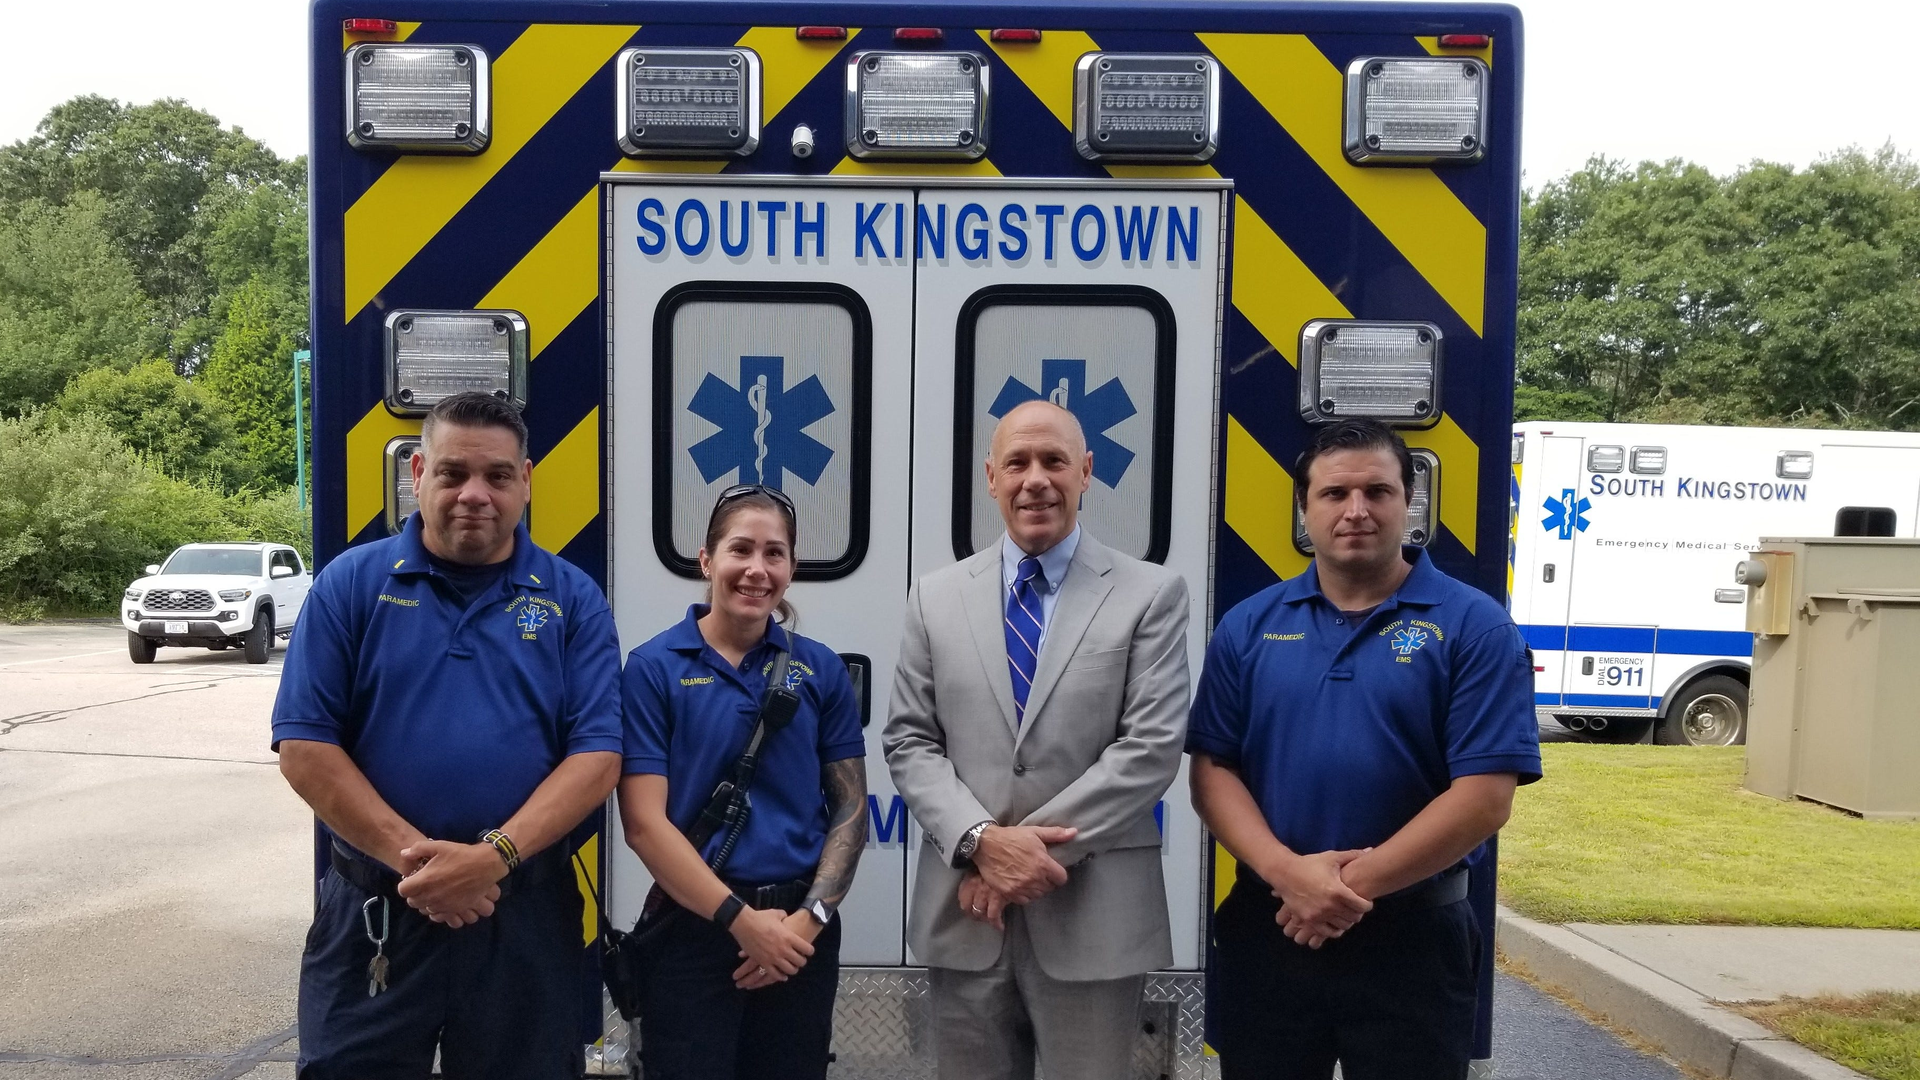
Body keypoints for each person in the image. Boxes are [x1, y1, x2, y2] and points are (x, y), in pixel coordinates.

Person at [271, 391, 623, 1080]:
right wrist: (424, 868)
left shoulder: (572, 598)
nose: (474, 495)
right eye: (452, 473)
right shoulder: (351, 586)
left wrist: (491, 858)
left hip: (523, 921)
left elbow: (598, 756)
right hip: (378, 910)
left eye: (496, 476)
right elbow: (305, 749)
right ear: (417, 475)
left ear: (526, 480)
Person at [1186, 418, 1542, 1080]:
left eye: (1377, 492)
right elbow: (1212, 771)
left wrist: (1343, 890)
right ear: (1304, 507)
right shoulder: (1248, 626)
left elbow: (1484, 798)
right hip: (1273, 930)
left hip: (1414, 940)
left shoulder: (1474, 628)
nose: (1356, 511)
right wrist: (1289, 876)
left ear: (1410, 502)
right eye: (1334, 494)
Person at [884, 399, 1191, 1080]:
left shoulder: (1150, 595)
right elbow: (909, 741)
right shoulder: (934, 598)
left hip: (1094, 917)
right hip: (966, 916)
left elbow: (1150, 749)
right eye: (1017, 463)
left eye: (1054, 461)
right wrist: (983, 844)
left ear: (1086, 472)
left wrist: (1019, 858)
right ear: (991, 478)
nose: (1036, 479)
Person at [617, 484, 869, 1080]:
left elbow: (850, 811)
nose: (757, 569)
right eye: (740, 550)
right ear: (706, 561)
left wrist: (805, 924)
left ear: (792, 566)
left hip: (799, 935)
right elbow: (644, 825)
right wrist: (740, 922)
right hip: (694, 930)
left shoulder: (821, 669)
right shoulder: (654, 669)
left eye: (774, 553)